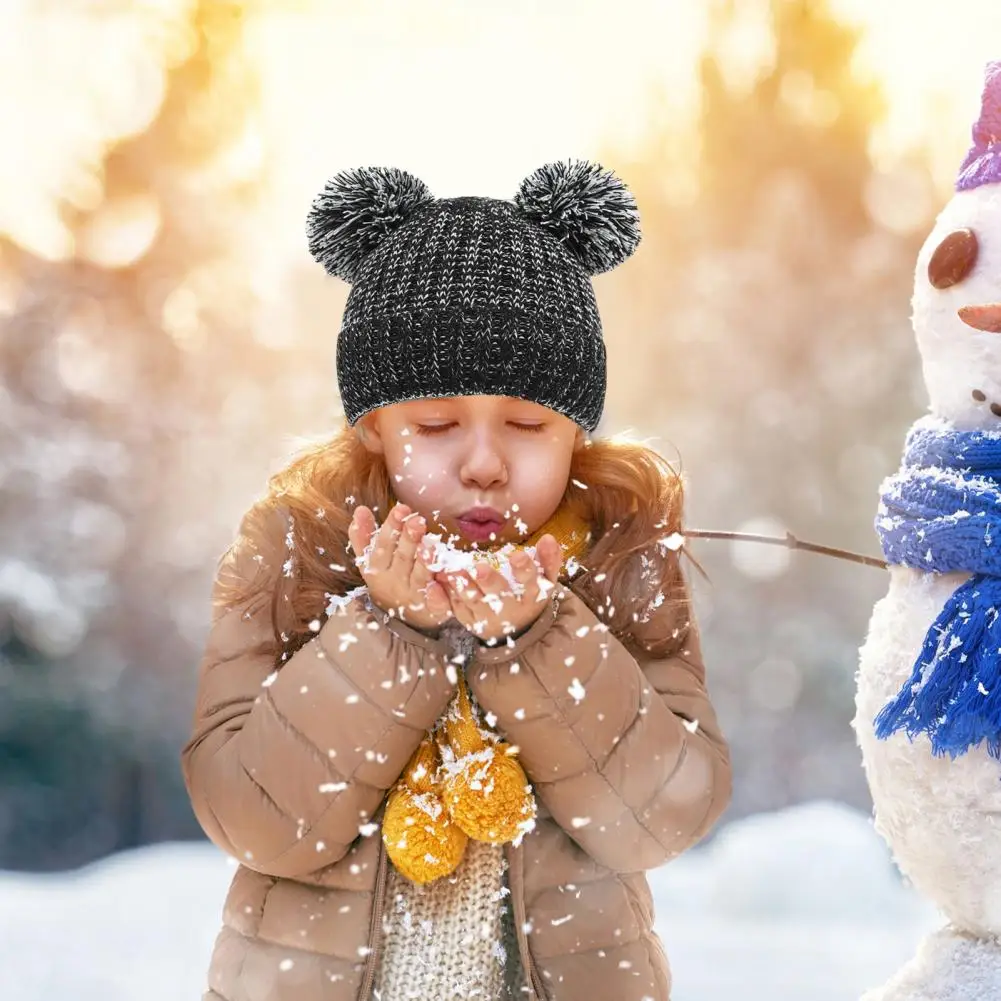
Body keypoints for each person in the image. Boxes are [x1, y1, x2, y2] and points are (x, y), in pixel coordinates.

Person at [181, 159, 732, 1001]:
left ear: (575, 430)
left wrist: (537, 640)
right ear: (373, 424)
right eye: (436, 424)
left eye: (526, 422)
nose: (483, 463)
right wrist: (384, 633)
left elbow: (660, 816)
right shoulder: (296, 550)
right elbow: (255, 819)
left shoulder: (617, 557)